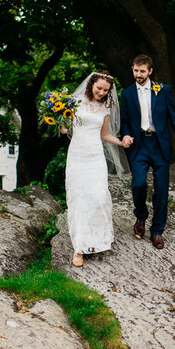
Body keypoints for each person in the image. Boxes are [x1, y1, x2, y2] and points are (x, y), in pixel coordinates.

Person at [120, 54, 175, 249]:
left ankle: (157, 231)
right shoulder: (126, 94)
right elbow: (124, 121)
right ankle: (141, 217)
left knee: (161, 189)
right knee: (138, 184)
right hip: (139, 145)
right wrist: (125, 135)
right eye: (135, 70)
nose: (138, 74)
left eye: (142, 71)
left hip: (160, 145)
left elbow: (174, 117)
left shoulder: (163, 90)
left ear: (150, 71)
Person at [65, 71, 130, 267]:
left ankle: (97, 240)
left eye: (105, 90)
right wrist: (58, 121)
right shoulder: (74, 102)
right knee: (79, 198)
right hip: (77, 155)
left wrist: (121, 142)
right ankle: (79, 248)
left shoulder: (105, 107)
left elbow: (104, 134)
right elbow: (65, 128)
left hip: (95, 157)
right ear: (91, 83)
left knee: (99, 195)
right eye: (98, 88)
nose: (101, 92)